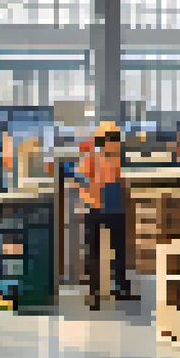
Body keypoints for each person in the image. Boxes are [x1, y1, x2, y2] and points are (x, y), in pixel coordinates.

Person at [76, 120, 135, 307]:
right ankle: (94, 293)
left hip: (115, 207)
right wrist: (92, 200)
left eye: (117, 139)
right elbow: (82, 181)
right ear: (102, 140)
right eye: (113, 138)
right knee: (94, 252)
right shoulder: (91, 157)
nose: (116, 142)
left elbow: (119, 181)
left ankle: (121, 288)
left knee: (119, 251)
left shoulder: (116, 157)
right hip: (97, 208)